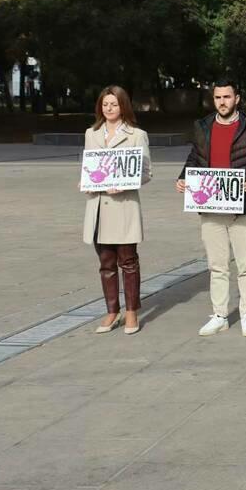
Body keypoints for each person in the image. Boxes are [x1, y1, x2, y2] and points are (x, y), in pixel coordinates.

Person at [177, 81, 246, 338]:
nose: (222, 101)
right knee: (217, 265)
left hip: (243, 206)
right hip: (210, 207)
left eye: (227, 97)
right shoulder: (202, 126)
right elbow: (194, 158)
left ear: (237, 98)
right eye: (218, 97)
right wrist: (183, 177)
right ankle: (219, 314)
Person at [83, 86, 152, 335]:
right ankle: (112, 310)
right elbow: (90, 167)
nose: (109, 108)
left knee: (128, 261)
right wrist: (86, 181)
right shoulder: (91, 134)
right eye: (105, 104)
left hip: (123, 206)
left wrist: (123, 184)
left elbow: (146, 173)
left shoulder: (136, 135)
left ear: (123, 106)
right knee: (106, 262)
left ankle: (132, 310)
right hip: (99, 207)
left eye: (114, 104)